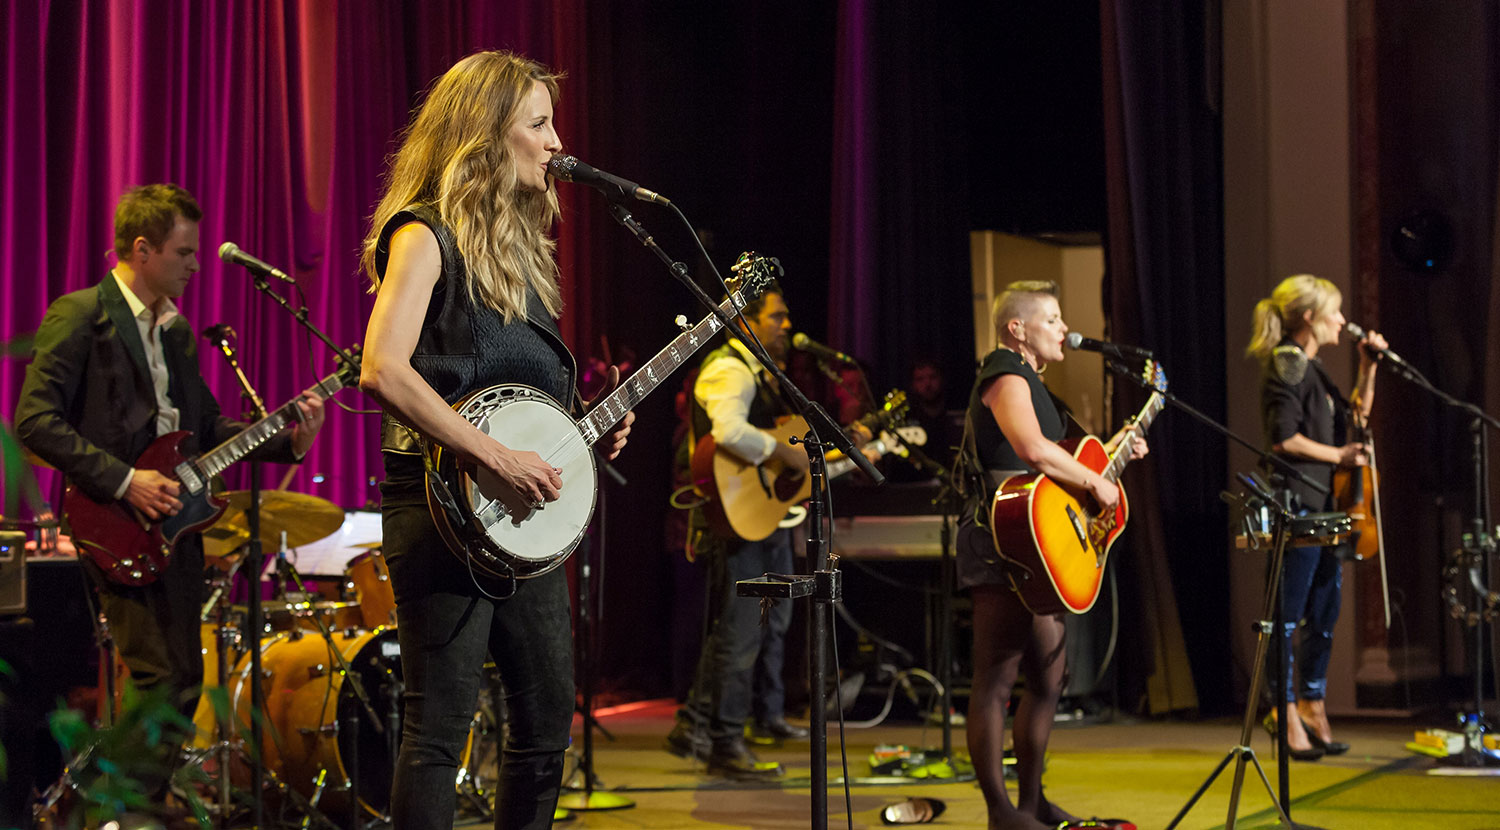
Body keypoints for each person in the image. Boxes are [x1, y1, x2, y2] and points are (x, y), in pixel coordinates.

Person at [357, 51, 632, 830]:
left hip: (521, 522)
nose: (556, 142)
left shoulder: (522, 254)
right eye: (538, 124)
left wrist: (585, 429)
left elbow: (519, 395)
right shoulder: (423, 235)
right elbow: (383, 369)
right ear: (484, 135)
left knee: (546, 731)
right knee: (440, 732)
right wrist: (494, 456)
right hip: (440, 507)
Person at [14, 183, 325, 776]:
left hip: (173, 525)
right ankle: (111, 810)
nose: (196, 264)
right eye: (184, 252)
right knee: (158, 678)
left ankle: (129, 805)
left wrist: (289, 438)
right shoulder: (81, 315)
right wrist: (127, 480)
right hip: (114, 519)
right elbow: (34, 420)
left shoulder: (177, 332)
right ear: (141, 250)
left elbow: (204, 425)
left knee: (183, 678)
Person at [954, 280, 1146, 830]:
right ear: (1018, 329)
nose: (1065, 329)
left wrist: (1115, 457)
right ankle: (1000, 813)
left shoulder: (1040, 388)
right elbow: (1032, 452)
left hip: (1034, 540)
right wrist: (1097, 481)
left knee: (1049, 677)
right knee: (996, 678)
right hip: (999, 538)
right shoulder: (1004, 371)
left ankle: (1033, 802)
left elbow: (1062, 479)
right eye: (1054, 320)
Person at [665, 281, 814, 779]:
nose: (787, 325)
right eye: (778, 316)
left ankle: (696, 724)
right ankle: (725, 743)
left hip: (758, 516)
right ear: (746, 321)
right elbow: (728, 432)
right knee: (741, 632)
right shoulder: (730, 368)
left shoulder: (758, 372)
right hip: (736, 518)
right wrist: (781, 452)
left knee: (748, 629)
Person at [1248, 273, 1383, 760]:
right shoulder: (1287, 364)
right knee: (1286, 615)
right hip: (1298, 503)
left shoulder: (1315, 368)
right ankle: (1282, 712)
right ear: (1310, 317)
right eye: (1335, 312)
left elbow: (1357, 420)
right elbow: (1284, 439)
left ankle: (1312, 703)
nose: (1343, 321)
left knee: (1324, 611)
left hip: (1325, 504)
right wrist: (1339, 457)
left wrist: (1368, 369)